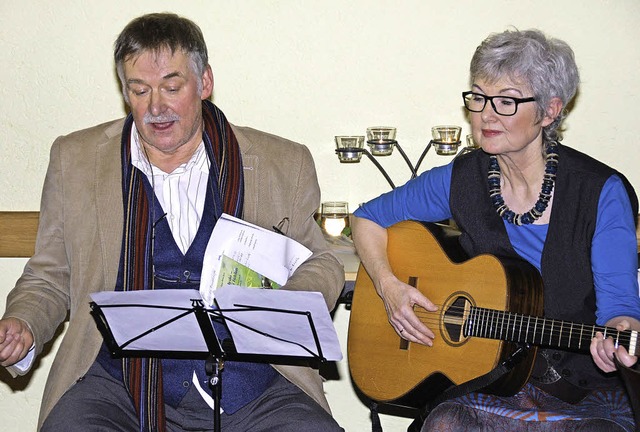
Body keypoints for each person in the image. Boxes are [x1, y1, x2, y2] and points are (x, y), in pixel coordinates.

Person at [0, 12, 345, 432]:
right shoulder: (76, 159)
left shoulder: (282, 162)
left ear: (205, 83)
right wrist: (23, 324)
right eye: (139, 90)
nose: (156, 107)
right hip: (118, 385)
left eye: (171, 86)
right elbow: (49, 277)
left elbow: (321, 263)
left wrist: (281, 306)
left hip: (254, 387)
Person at [352, 28, 640, 431]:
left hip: (582, 393)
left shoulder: (601, 193)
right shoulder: (461, 179)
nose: (485, 114)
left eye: (506, 101)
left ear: (550, 110)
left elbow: (620, 313)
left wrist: (618, 340)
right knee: (443, 425)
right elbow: (365, 218)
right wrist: (389, 286)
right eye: (478, 97)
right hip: (489, 382)